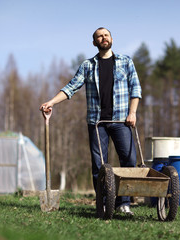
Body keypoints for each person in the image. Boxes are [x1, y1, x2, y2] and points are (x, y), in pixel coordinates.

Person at [40, 27, 142, 215]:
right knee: (99, 166)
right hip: (97, 123)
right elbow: (71, 87)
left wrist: (132, 112)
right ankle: (102, 203)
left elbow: (135, 89)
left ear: (112, 38)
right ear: (94, 43)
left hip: (121, 121)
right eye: (99, 36)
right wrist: (52, 102)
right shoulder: (88, 66)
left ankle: (123, 203)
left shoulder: (126, 62)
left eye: (106, 35)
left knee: (129, 160)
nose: (103, 38)